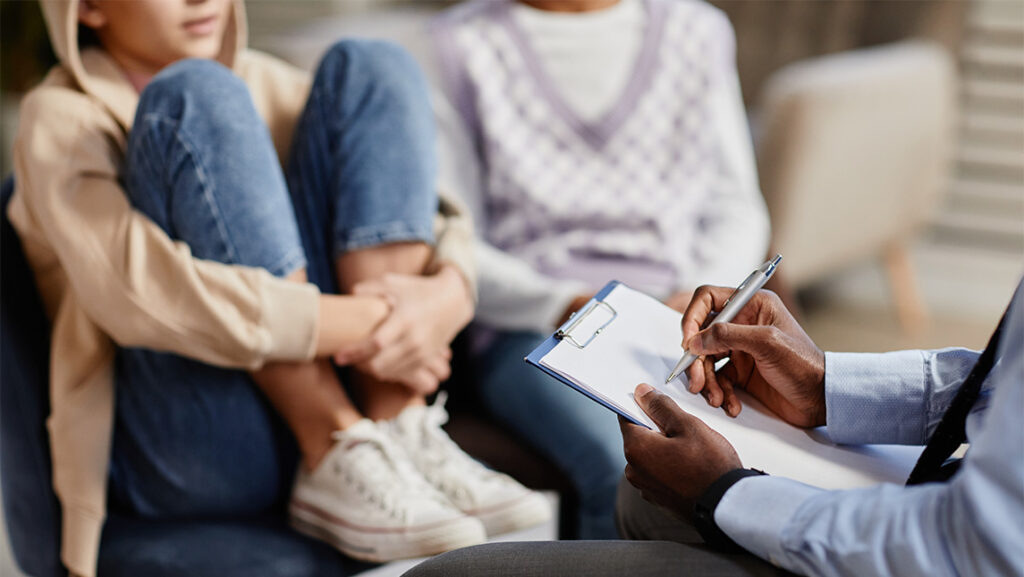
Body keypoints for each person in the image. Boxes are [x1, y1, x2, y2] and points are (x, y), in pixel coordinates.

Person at [10, 0, 548, 574]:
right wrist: (383, 322)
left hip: (345, 399)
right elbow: (139, 298)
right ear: (88, 8)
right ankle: (331, 438)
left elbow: (430, 205)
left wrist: (449, 293)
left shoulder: (267, 80)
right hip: (189, 440)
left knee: (375, 65)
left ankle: (397, 422)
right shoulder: (58, 118)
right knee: (197, 93)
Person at [426, 0, 770, 539]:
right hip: (537, 326)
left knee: (761, 466)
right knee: (629, 469)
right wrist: (570, 305)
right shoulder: (457, 45)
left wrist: (697, 295)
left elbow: (736, 205)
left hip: (678, 315)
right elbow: (453, 237)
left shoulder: (696, 31)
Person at [404, 278, 1024, 576]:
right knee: (640, 496)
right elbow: (1006, 381)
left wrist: (727, 492)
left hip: (946, 550)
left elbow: (968, 548)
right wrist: (827, 387)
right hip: (955, 496)